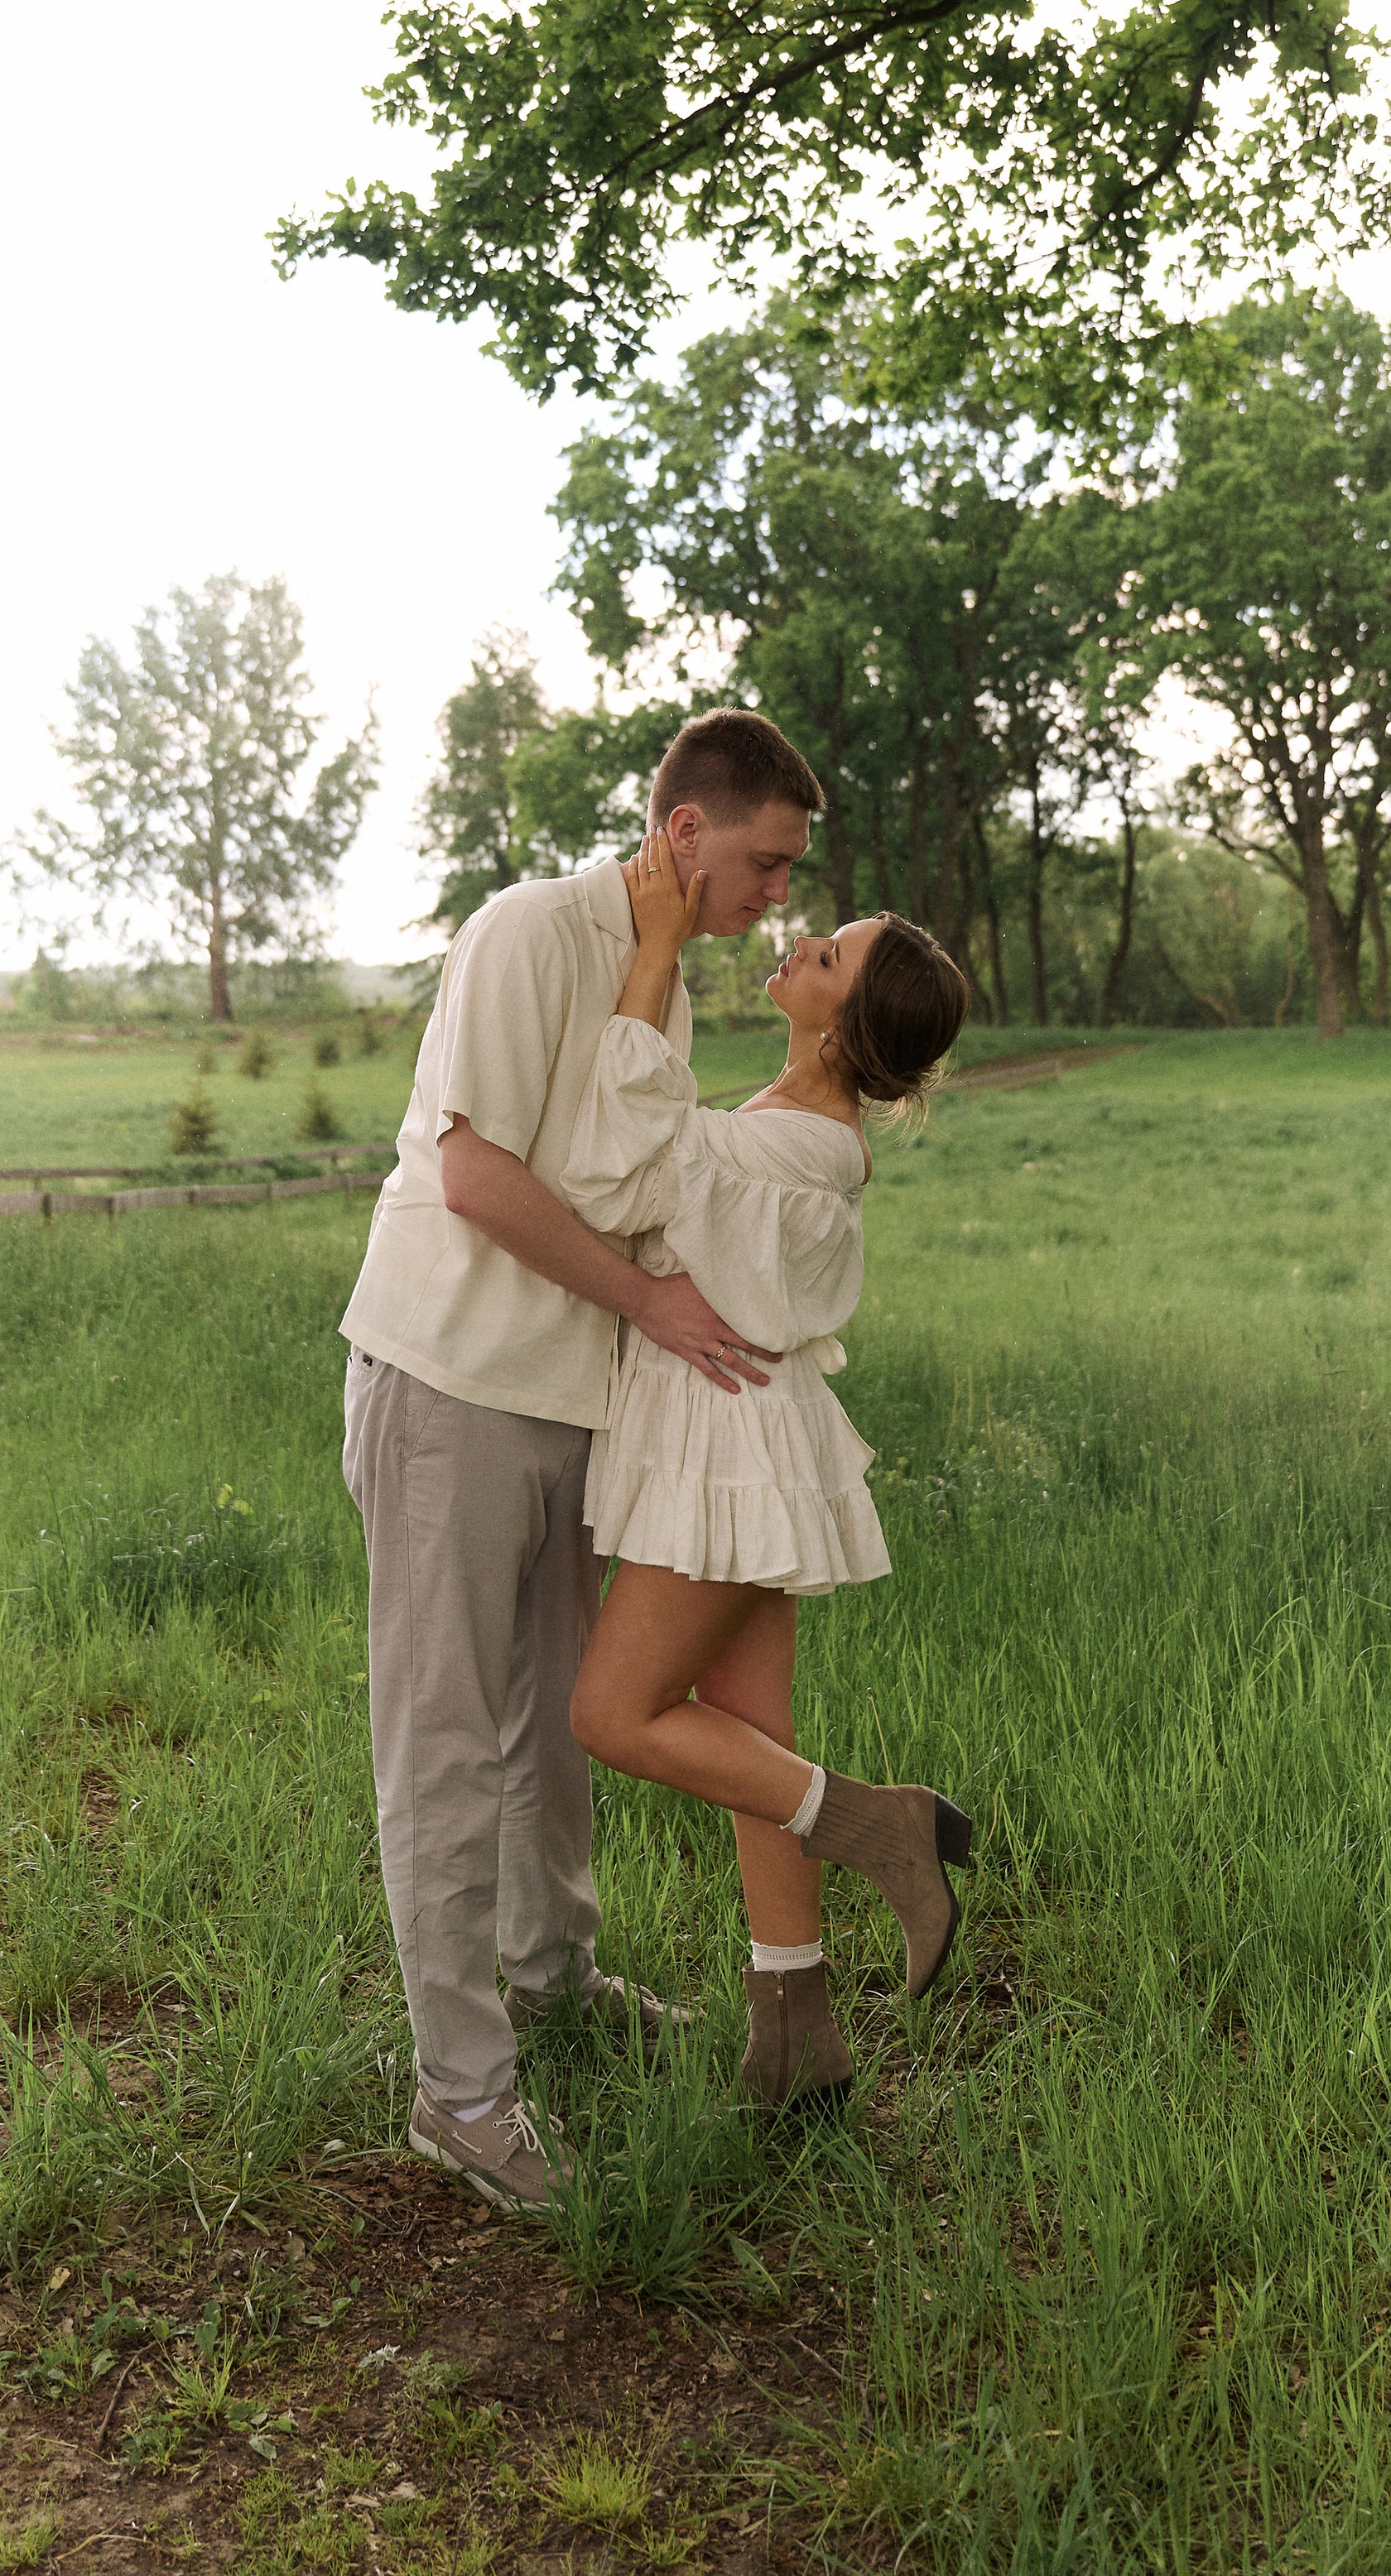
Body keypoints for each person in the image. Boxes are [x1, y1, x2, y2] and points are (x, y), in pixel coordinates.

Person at [339, 709, 825, 2215]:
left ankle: (555, 1980)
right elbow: (476, 1176)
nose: (779, 894)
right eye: (766, 861)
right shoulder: (529, 933)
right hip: (449, 1385)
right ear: (686, 830)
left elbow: (637, 1173)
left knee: (551, 1728)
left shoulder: (657, 977)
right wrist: (652, 1305)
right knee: (445, 1742)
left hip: (569, 1404)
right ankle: (460, 2091)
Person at [563, 829, 974, 2115]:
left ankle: (880, 1826)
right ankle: (798, 2044)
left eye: (830, 953)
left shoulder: (807, 1146)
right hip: (735, 1430)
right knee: (748, 1739)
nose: (801, 940)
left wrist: (655, 951)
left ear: (844, 1023)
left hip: (727, 1441)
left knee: (612, 1715)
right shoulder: (786, 1120)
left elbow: (630, 1148)